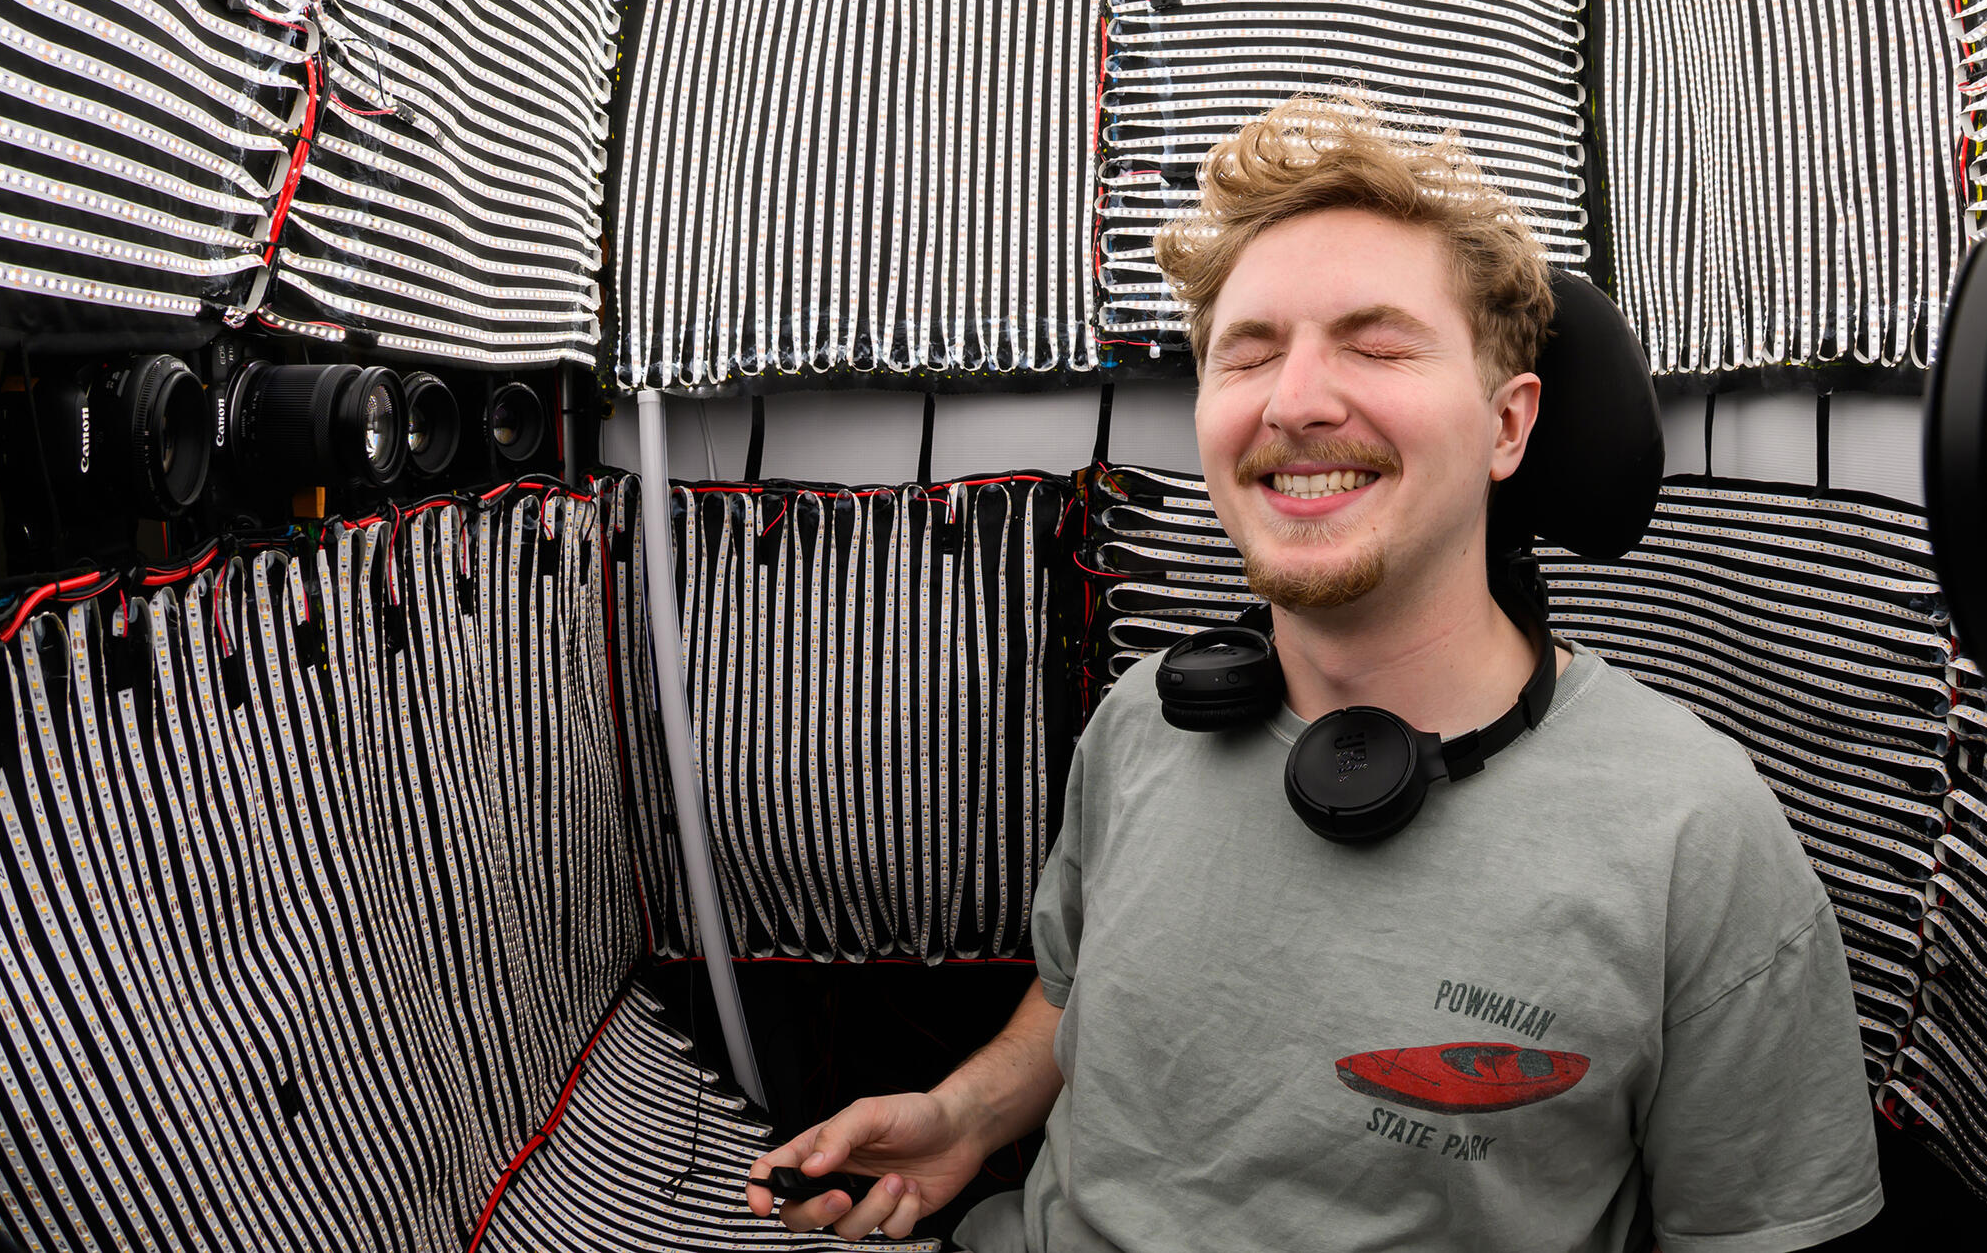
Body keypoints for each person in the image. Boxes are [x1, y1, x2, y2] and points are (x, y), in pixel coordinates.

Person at [747, 91, 1884, 1250]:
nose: (1293, 401)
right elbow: (1080, 987)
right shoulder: (1145, 719)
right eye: (1246, 356)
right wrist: (964, 1115)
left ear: (1507, 425)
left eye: (1377, 343)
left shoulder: (1695, 831)